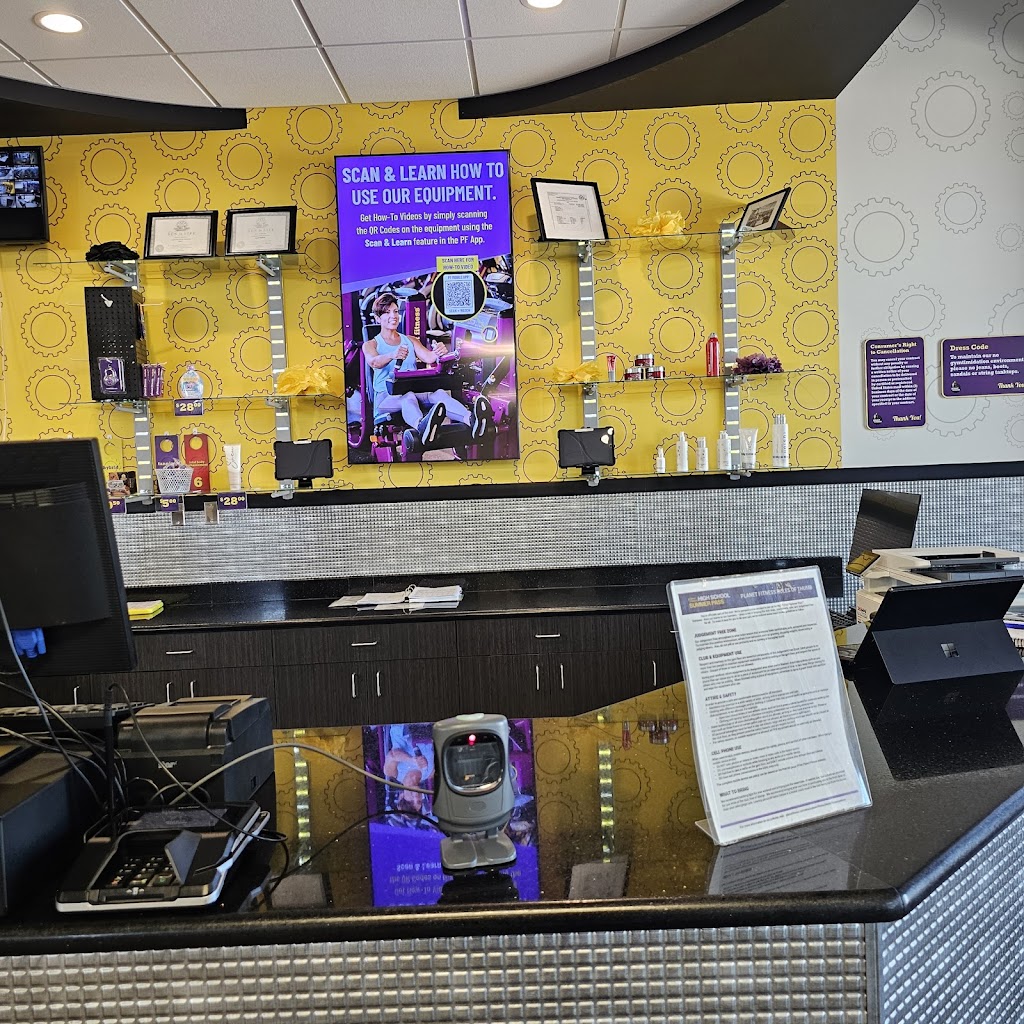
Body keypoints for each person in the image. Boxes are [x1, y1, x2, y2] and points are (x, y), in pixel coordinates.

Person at [362, 292, 492, 459]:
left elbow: (429, 357)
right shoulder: (371, 344)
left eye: (395, 311)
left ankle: (472, 421)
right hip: (386, 398)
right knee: (408, 397)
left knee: (438, 394)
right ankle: (422, 427)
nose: (393, 316)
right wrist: (392, 355)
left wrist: (439, 352)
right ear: (377, 318)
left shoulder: (410, 340)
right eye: (387, 312)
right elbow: (374, 362)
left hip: (412, 391)